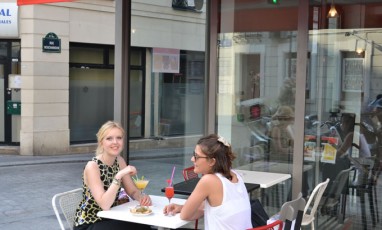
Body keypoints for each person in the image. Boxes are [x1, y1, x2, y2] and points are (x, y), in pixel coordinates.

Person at [163, 134, 252, 230]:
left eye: (196, 156)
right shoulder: (235, 175)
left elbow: (185, 215)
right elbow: (217, 208)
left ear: (211, 161)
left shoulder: (208, 180)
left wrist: (184, 209)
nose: (192, 159)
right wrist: (181, 207)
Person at [73, 121, 152, 230]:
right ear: (101, 142)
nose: (115, 142)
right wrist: (119, 175)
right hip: (90, 222)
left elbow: (132, 191)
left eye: (119, 138)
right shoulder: (93, 166)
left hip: (111, 218)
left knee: (143, 224)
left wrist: (141, 197)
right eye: (109, 138)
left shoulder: (119, 161)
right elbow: (104, 205)